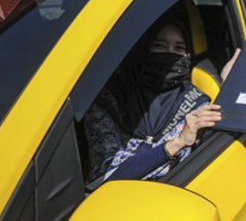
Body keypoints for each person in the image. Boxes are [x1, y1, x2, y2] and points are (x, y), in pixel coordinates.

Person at [84, 17, 237, 188]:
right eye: (159, 46)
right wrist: (176, 143)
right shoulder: (107, 100)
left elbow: (225, 143)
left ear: (187, 56)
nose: (169, 55)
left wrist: (230, 89)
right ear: (143, 49)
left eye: (178, 48)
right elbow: (107, 176)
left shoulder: (196, 105)